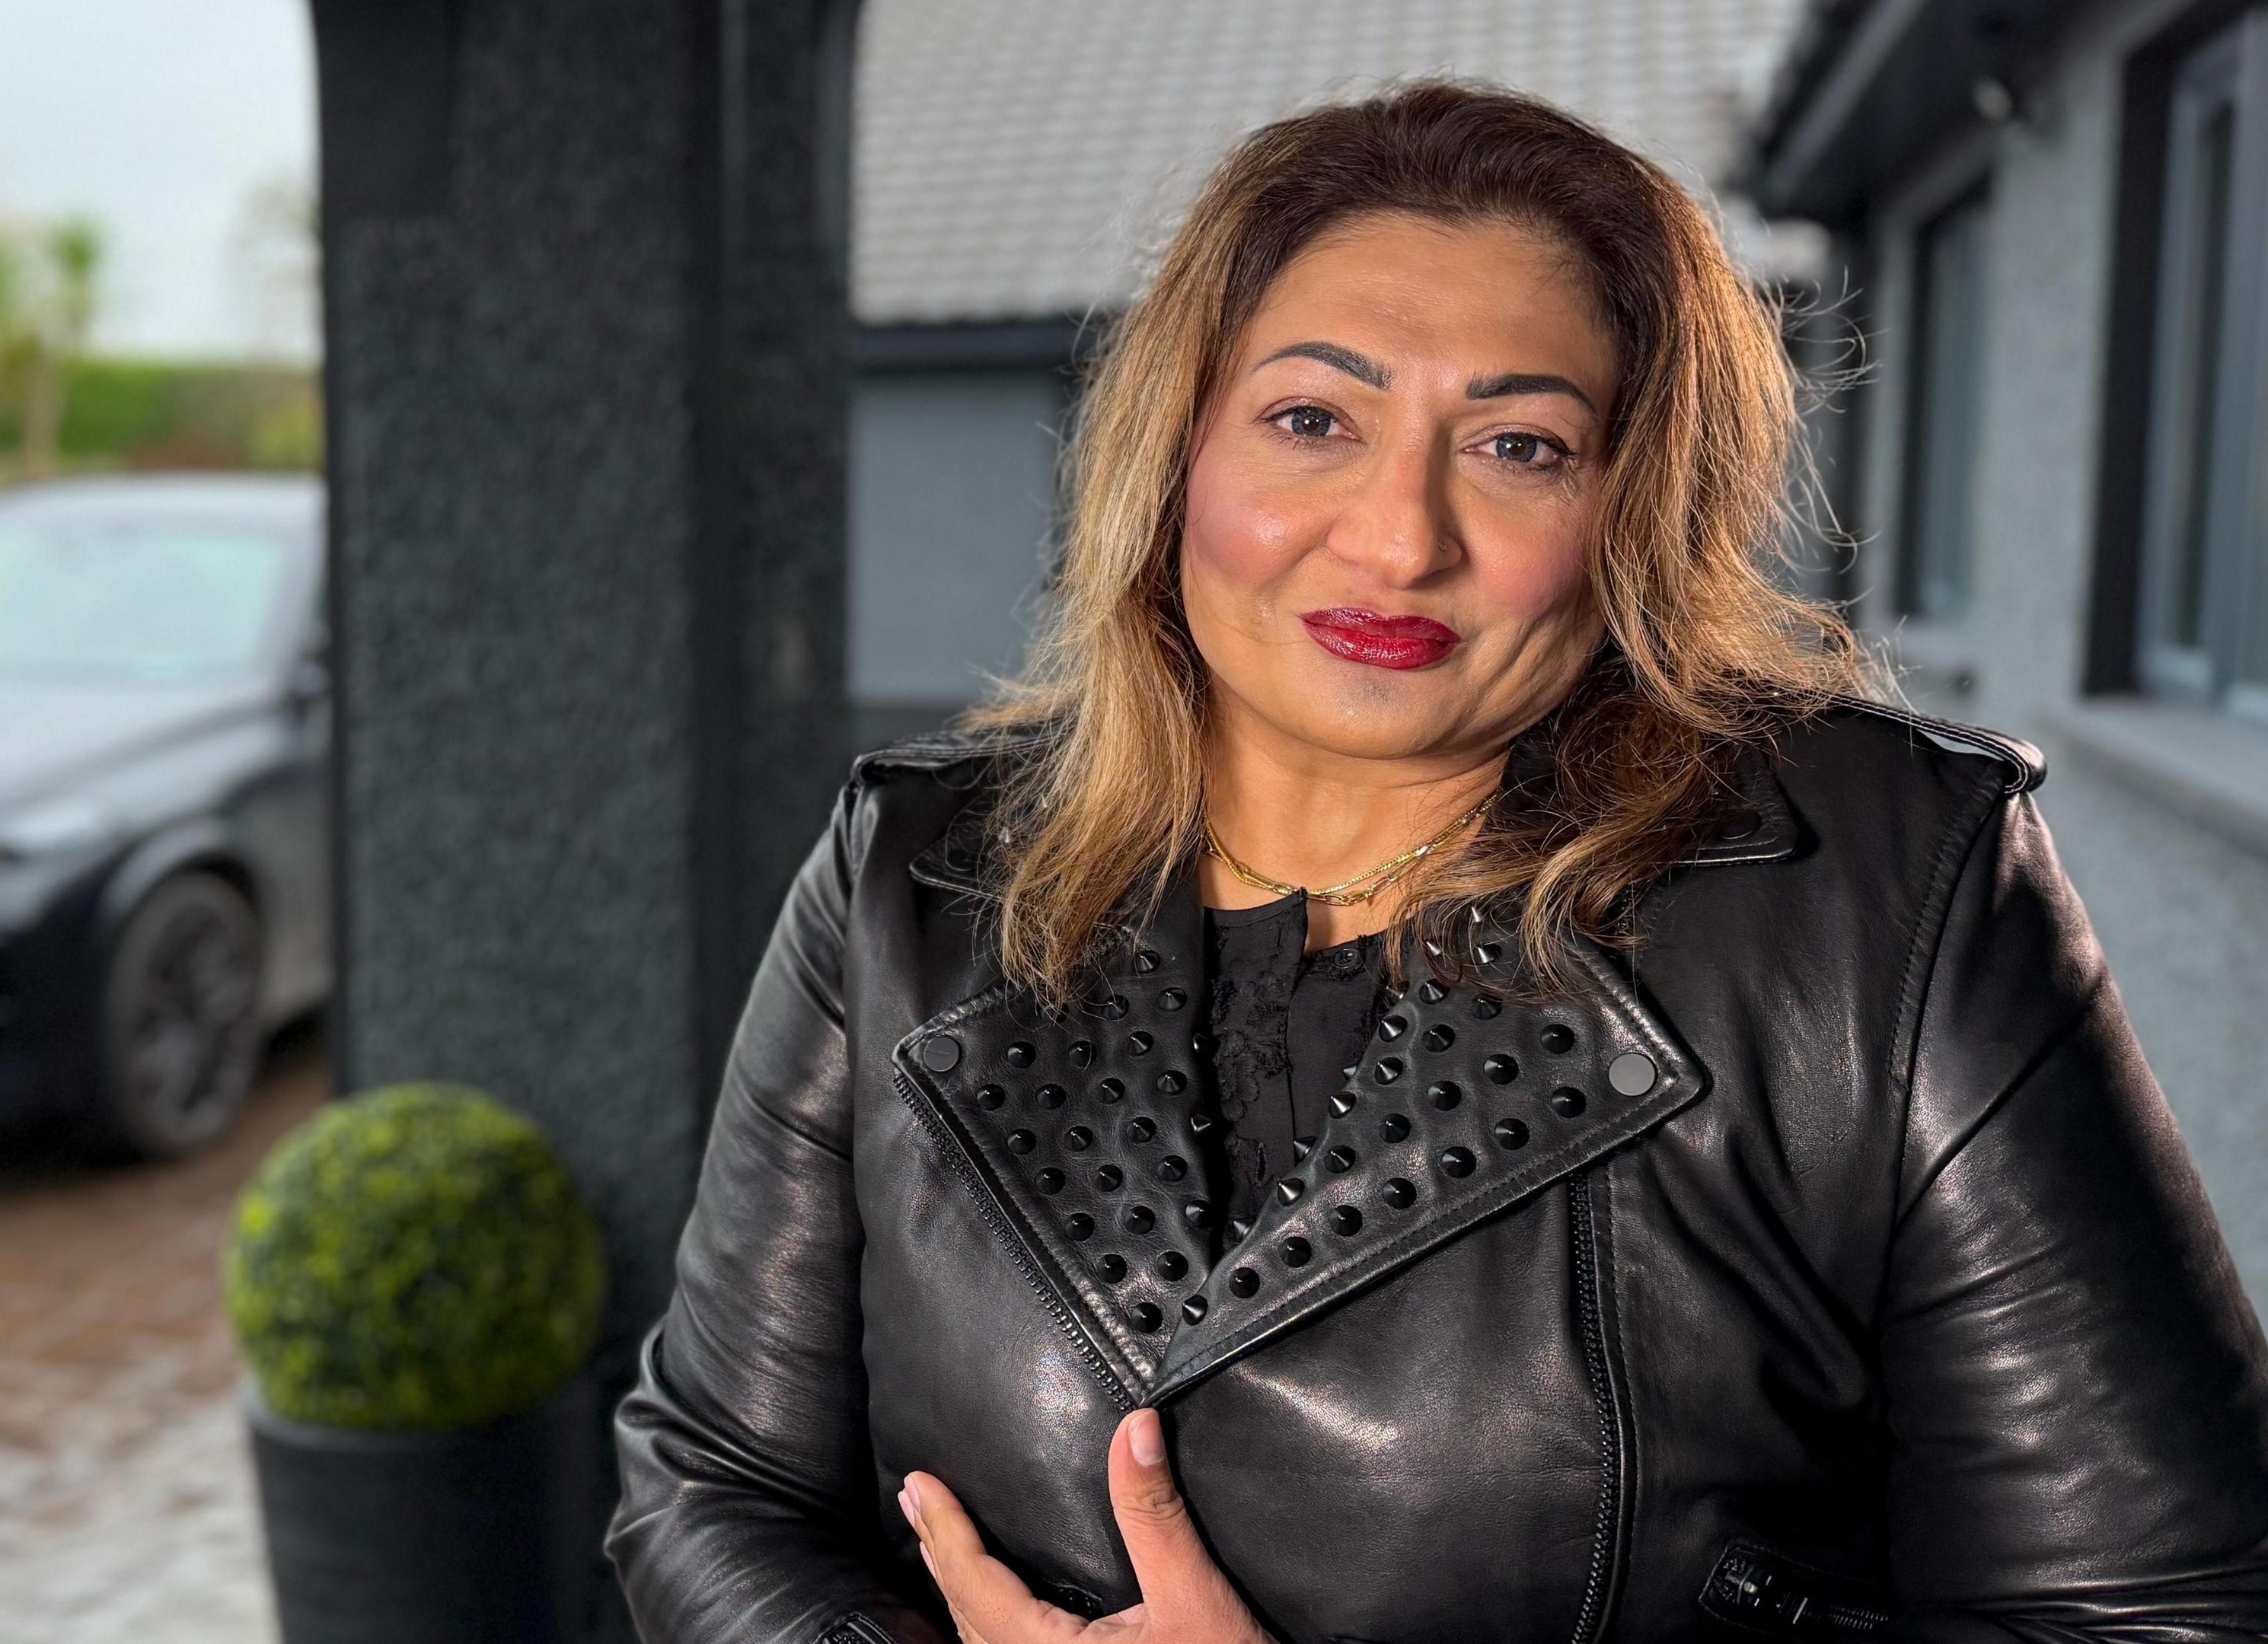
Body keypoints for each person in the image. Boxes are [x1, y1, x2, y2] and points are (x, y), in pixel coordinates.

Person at [606, 82, 2268, 1642]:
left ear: (1634, 511)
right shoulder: (916, 868)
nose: (1401, 536)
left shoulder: (1888, 893)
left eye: (1520, 444)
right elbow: (710, 1481)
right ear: (1178, 455)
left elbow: (2163, 1613)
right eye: (1314, 417)